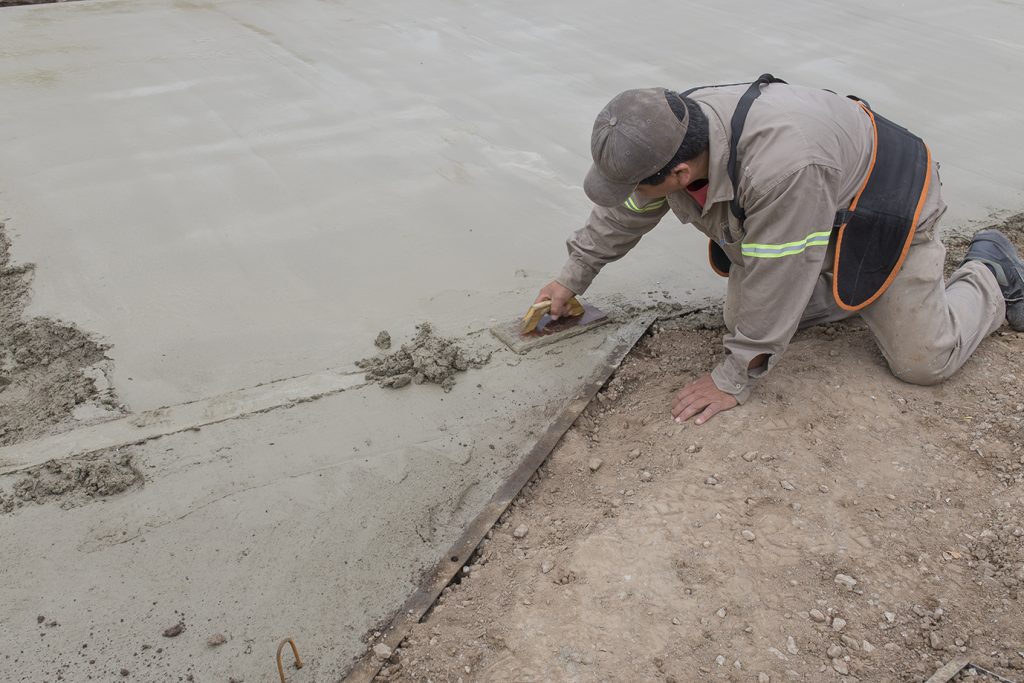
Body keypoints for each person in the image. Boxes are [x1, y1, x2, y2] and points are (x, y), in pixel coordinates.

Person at [535, 76, 1024, 426]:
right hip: (818, 204)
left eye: (645, 185)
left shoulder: (782, 167)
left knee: (923, 361)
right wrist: (571, 277)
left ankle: (991, 274)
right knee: (746, 319)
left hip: (888, 203)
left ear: (680, 175)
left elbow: (781, 270)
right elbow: (628, 206)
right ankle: (850, 285)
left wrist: (734, 377)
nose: (636, 192)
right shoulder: (670, 130)